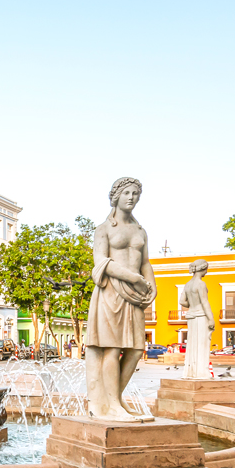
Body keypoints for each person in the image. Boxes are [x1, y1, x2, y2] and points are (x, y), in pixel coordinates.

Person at [84, 177, 157, 420]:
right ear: (115, 196)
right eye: (126, 192)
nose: (131, 197)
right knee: (112, 349)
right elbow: (101, 262)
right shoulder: (103, 229)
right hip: (111, 291)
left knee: (136, 350)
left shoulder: (140, 231)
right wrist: (133, 278)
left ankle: (115, 398)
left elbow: (145, 262)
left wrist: (152, 285)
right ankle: (112, 404)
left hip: (135, 296)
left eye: (136, 193)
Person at [179, 259, 215, 379]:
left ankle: (190, 372)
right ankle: (201, 373)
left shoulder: (188, 284)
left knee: (193, 344)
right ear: (202, 269)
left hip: (191, 316)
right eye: (206, 269)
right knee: (202, 344)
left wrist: (192, 304)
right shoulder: (201, 284)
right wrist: (211, 318)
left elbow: (182, 301)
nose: (206, 272)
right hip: (200, 316)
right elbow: (205, 302)